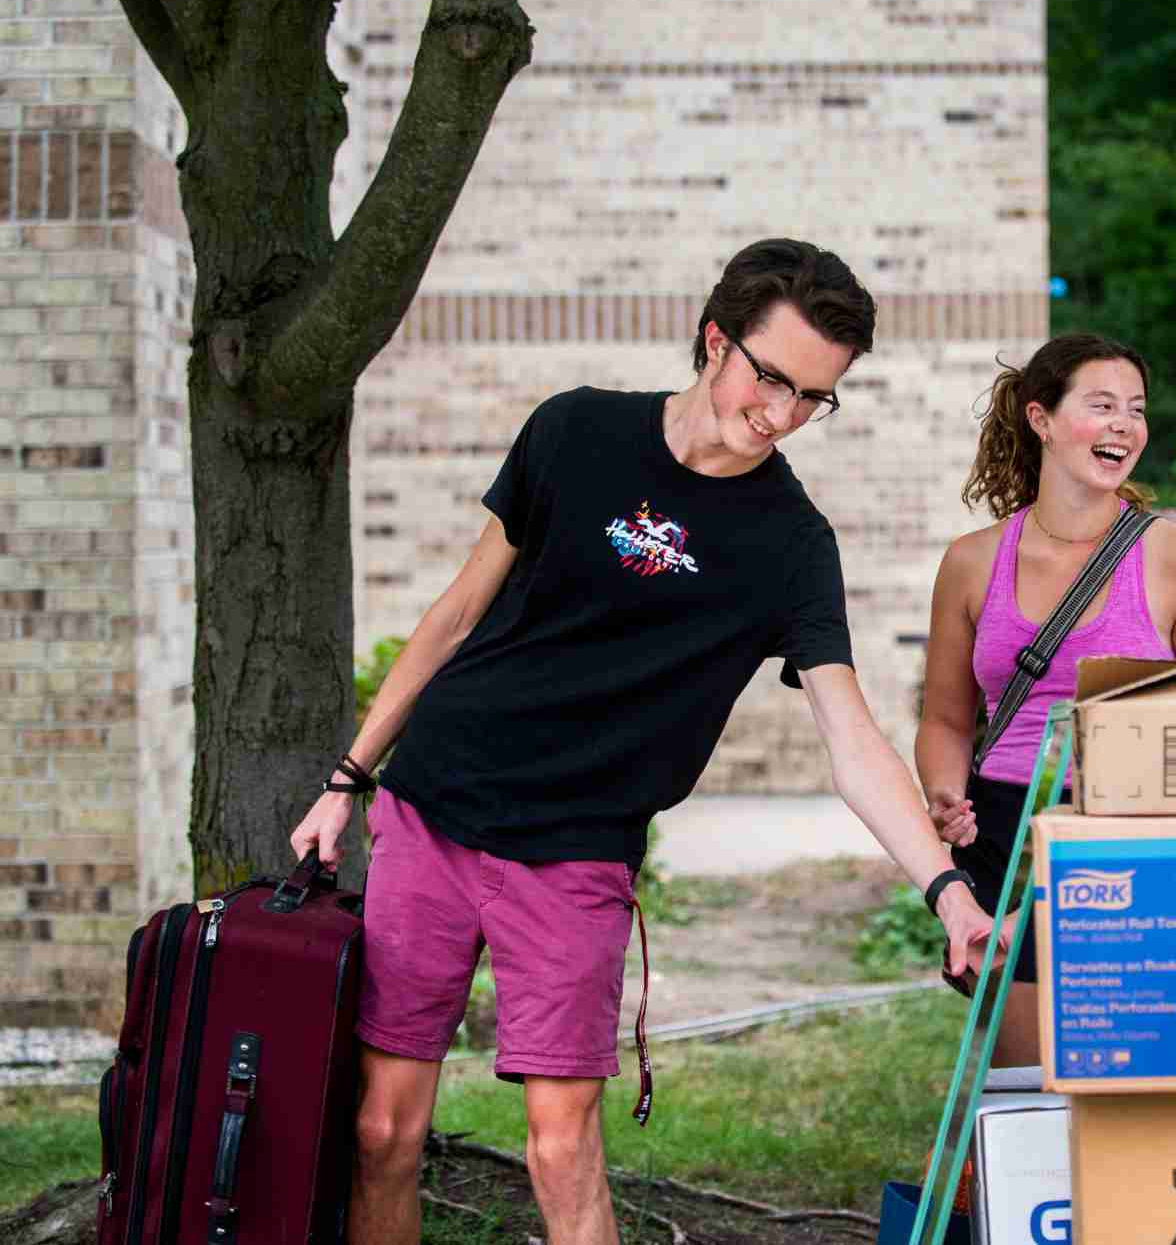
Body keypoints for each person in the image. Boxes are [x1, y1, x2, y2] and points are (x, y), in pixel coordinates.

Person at [288, 238, 1002, 1245]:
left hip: (576, 851)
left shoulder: (789, 544)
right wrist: (347, 776)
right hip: (434, 806)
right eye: (770, 377)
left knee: (560, 1143)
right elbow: (453, 614)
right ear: (715, 339)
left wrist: (947, 887)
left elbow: (852, 739)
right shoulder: (573, 431)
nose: (781, 413)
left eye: (813, 397)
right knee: (381, 1126)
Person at [915, 333, 1176, 1067]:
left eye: (1137, 410)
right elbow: (945, 719)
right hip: (1005, 835)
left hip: (1131, 834)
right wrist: (941, 792)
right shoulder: (971, 563)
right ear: (1042, 419)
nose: (1125, 424)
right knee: (1026, 1082)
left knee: (1134, 1070)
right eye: (1101, 405)